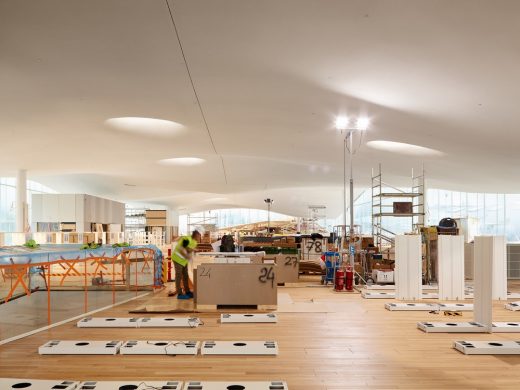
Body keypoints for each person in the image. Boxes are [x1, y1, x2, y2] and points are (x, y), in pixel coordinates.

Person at [171, 230, 201, 299]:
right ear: (195, 235)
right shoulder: (187, 239)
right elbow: (182, 249)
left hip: (183, 260)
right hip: (177, 258)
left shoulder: (194, 242)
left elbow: (189, 250)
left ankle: (187, 291)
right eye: (198, 236)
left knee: (185, 275)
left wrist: (193, 251)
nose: (199, 238)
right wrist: (188, 254)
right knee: (178, 275)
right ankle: (179, 294)